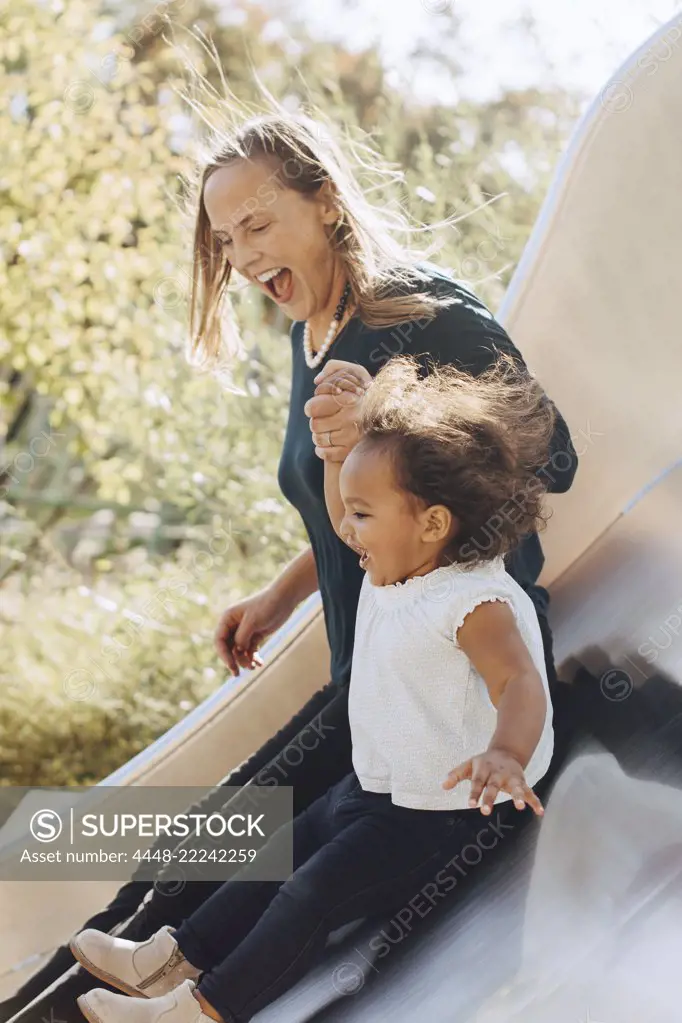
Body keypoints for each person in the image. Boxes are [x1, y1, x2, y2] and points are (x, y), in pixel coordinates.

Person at [0, 109, 577, 1020]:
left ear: (327, 204)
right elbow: (357, 507)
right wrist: (280, 592)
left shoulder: (424, 315)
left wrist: (394, 409)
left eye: (259, 224)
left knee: (206, 864)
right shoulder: (308, 336)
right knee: (185, 867)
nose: (239, 256)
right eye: (224, 239)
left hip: (439, 687)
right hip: (366, 678)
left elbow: (553, 466)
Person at [71, 351, 557, 1023]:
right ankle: (167, 959)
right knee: (273, 858)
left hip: (434, 817)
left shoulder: (474, 600)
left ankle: (199, 1009)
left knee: (310, 893)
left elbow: (520, 680)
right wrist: (338, 459)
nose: (346, 529)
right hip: (374, 785)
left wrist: (505, 751)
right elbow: (338, 512)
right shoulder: (399, 562)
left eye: (363, 513)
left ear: (433, 523)